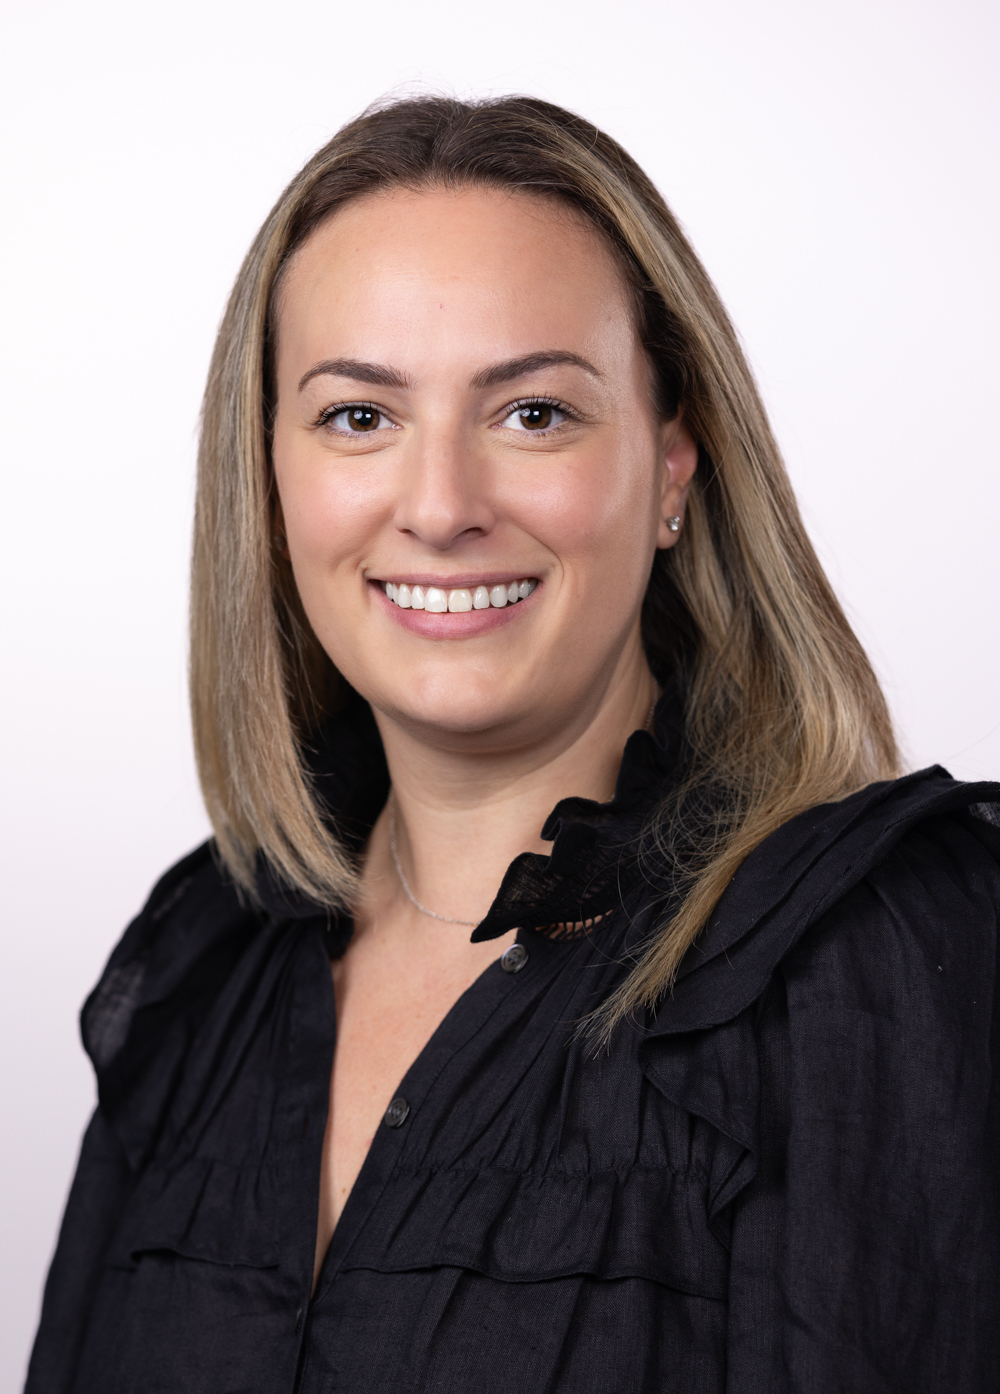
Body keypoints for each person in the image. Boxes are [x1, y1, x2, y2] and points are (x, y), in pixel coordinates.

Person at [26, 96, 1000, 1394]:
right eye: (359, 417)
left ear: (671, 466)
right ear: (268, 476)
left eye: (532, 412)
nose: (440, 506)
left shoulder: (867, 948)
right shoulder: (202, 968)